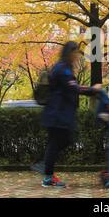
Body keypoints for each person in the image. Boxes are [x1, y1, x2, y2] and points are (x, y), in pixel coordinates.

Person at [41, 41, 101, 188]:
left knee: (59, 142)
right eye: (75, 53)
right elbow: (73, 87)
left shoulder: (63, 67)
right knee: (61, 141)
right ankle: (47, 175)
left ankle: (46, 168)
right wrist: (93, 89)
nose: (77, 57)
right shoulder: (63, 69)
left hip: (58, 113)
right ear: (69, 53)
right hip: (58, 114)